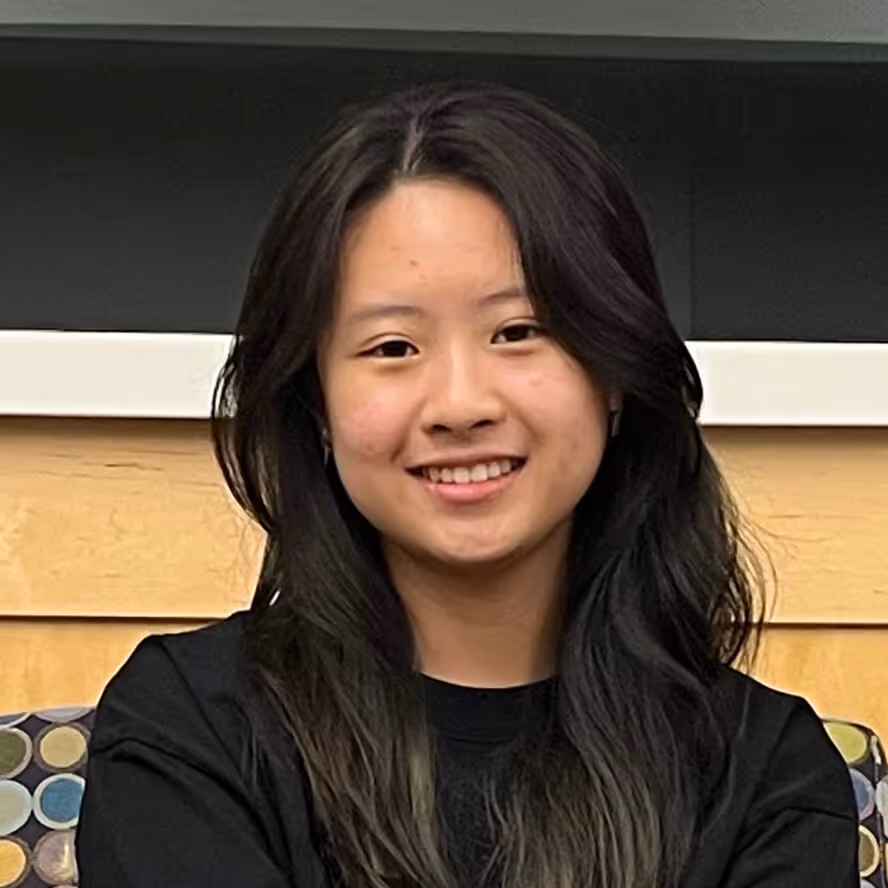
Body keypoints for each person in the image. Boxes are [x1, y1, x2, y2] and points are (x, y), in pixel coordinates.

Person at [76, 81, 858, 888]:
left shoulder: (767, 777)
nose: (459, 404)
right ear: (315, 402)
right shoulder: (191, 729)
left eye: (518, 332)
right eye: (391, 347)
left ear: (616, 375)